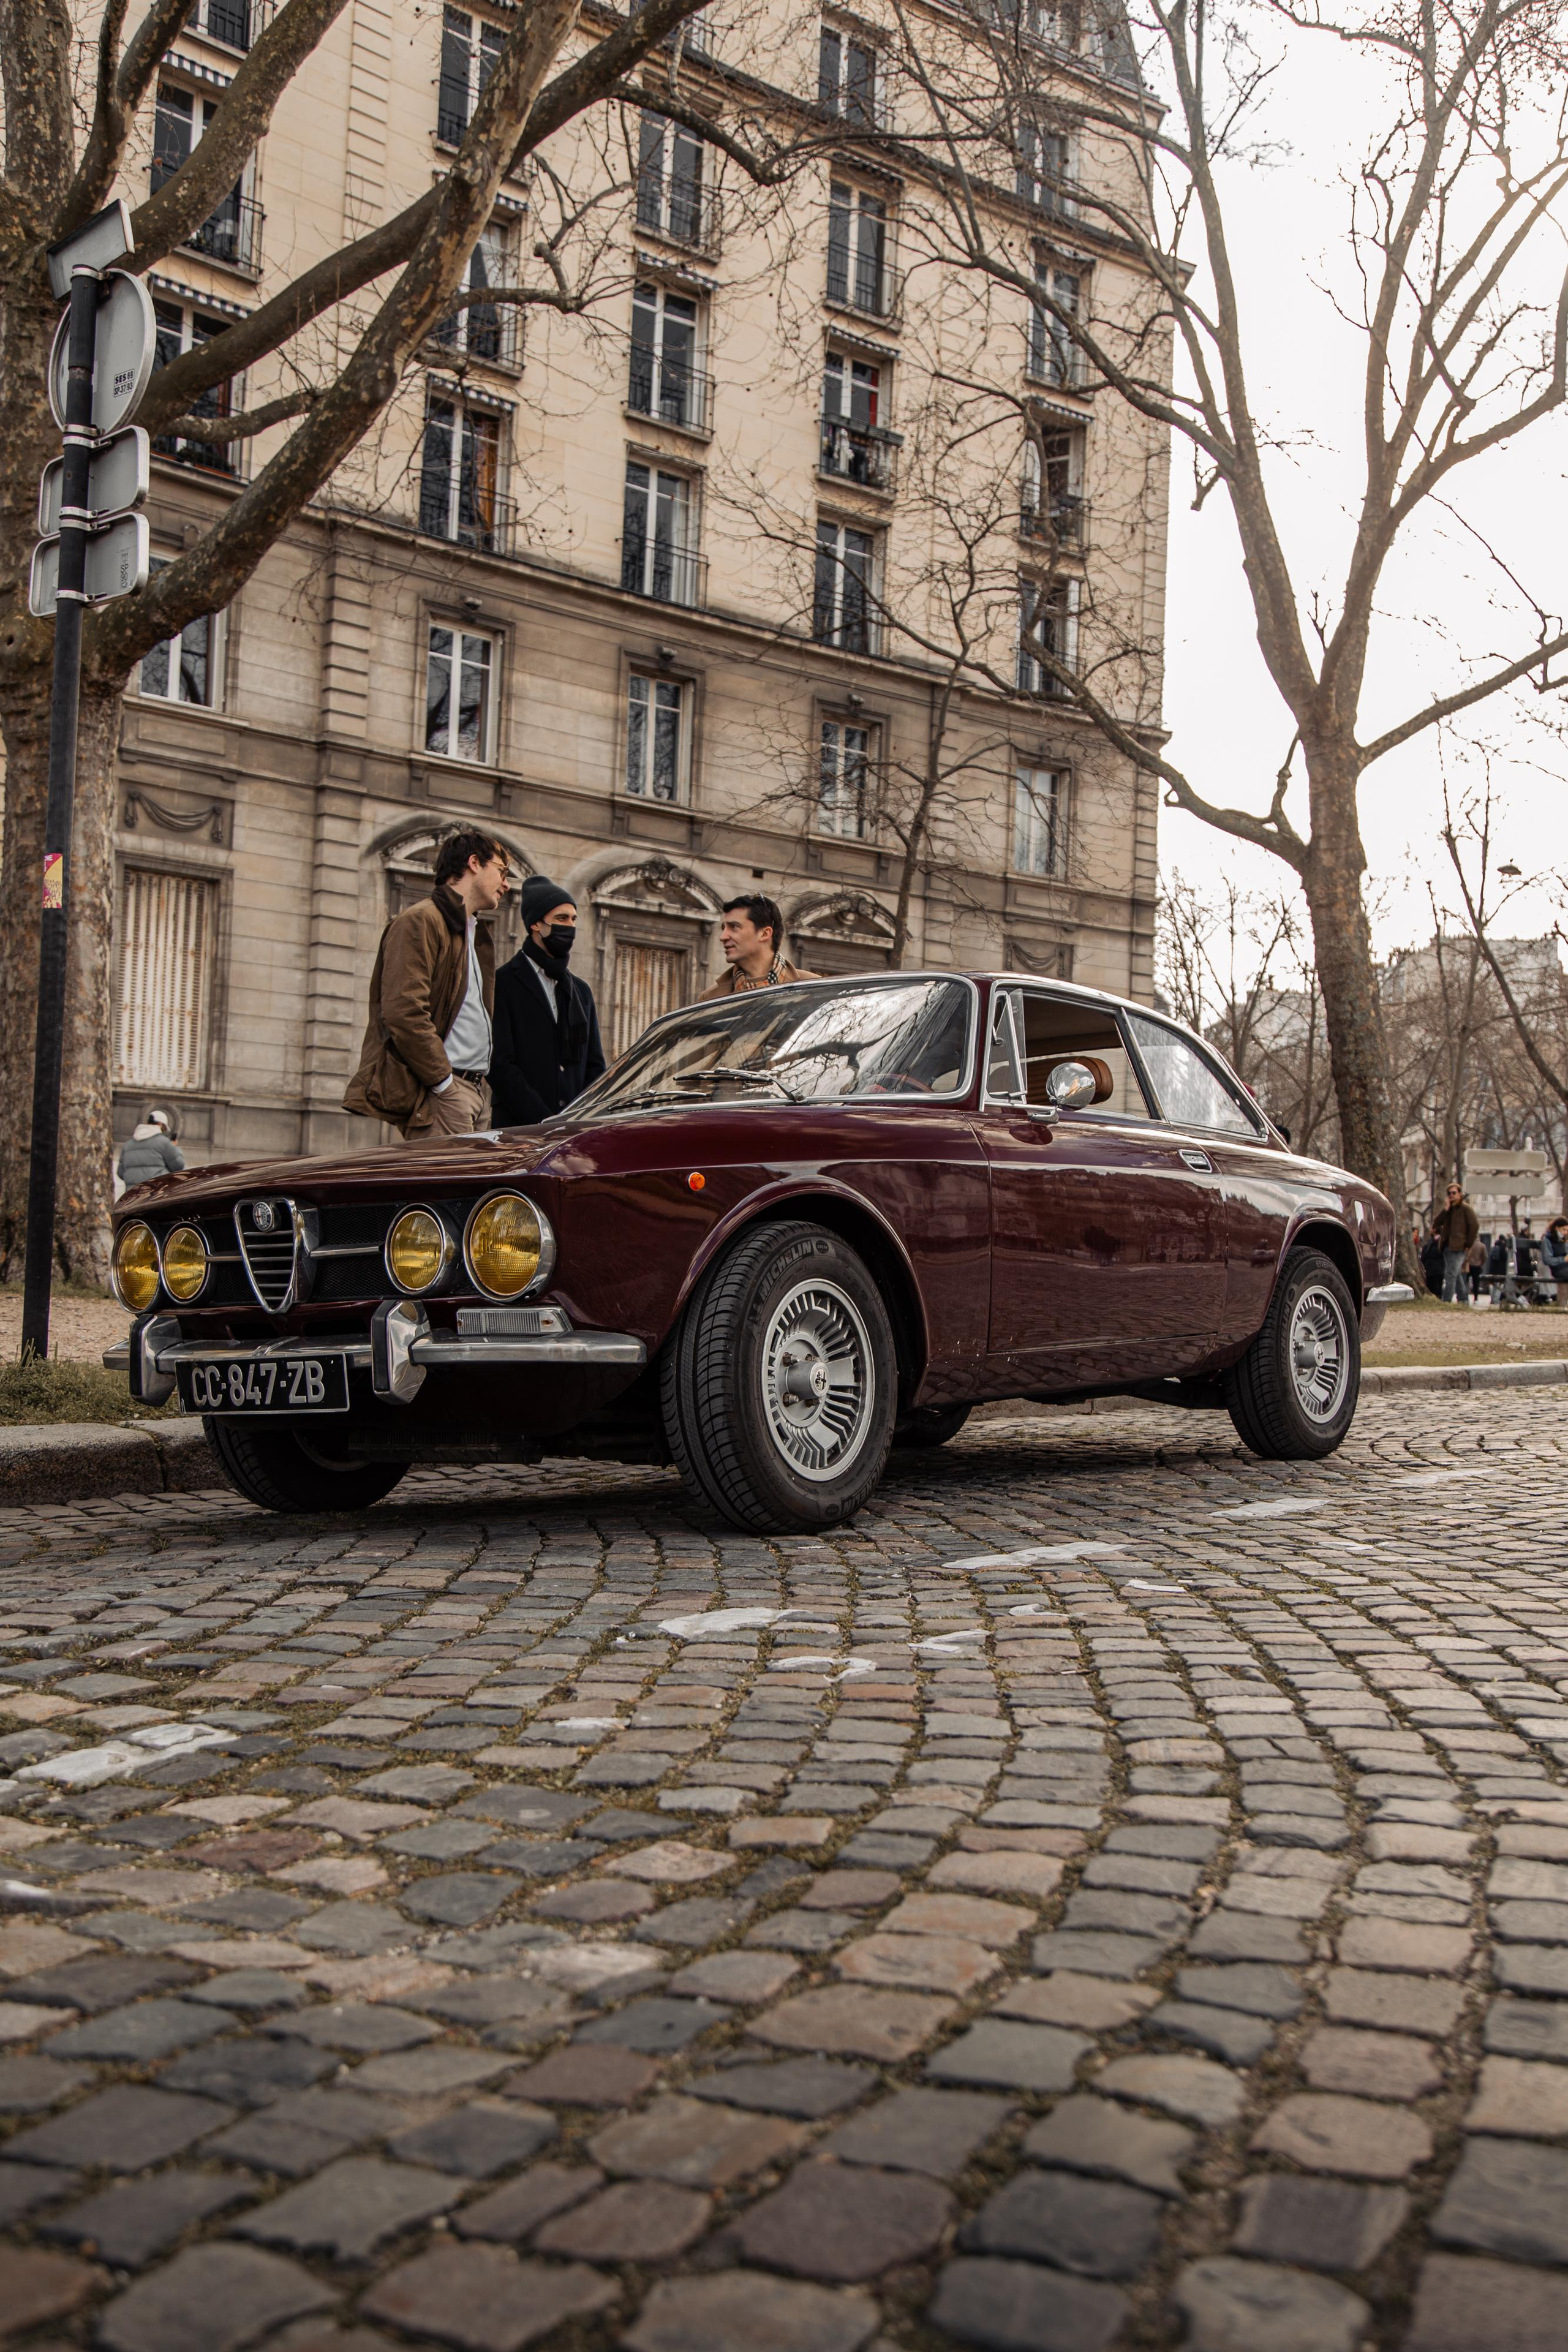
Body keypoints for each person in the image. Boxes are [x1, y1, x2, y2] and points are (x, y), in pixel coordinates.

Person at [344, 827, 510, 1140]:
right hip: (446, 1093)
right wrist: (443, 1083)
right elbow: (404, 1011)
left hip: (471, 1092)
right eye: (501, 871)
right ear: (475, 863)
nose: (507, 884)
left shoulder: (470, 930)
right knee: (449, 1189)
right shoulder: (421, 920)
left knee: (467, 1190)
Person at [489, 879, 606, 1126]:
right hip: (518, 1130)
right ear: (536, 924)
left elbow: (594, 1066)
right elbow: (499, 1063)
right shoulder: (504, 982)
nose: (571, 926)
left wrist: (579, 1120)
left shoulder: (581, 991)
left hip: (571, 1132)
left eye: (574, 919)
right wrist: (543, 1121)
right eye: (562, 919)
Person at [699, 894, 818, 997]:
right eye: (724, 929)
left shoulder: (815, 988)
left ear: (765, 934)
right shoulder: (710, 997)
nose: (723, 937)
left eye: (734, 927)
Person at [1431, 1180, 1479, 1305]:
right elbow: (1436, 1224)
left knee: (1450, 1275)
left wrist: (1468, 1244)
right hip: (1447, 1246)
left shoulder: (1466, 1209)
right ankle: (1463, 1299)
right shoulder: (1449, 1210)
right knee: (1456, 1274)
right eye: (1449, 1193)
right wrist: (1445, 1210)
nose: (1451, 1195)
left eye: (1454, 1193)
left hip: (1458, 1247)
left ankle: (1446, 1300)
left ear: (1460, 1194)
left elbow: (1474, 1226)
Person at [118, 1107, 184, 1192]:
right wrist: (174, 1147)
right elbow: (178, 1166)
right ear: (161, 1124)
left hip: (132, 1196)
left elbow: (121, 1173)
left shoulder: (128, 1145)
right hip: (155, 1193)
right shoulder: (164, 1143)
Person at [1540, 1216, 1568, 1297]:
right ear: (1557, 1228)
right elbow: (1547, 1260)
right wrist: (1564, 1259)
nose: (1566, 1233)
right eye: (1564, 1230)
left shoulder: (1562, 1240)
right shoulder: (1547, 1240)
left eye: (1567, 1230)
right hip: (1559, 1269)